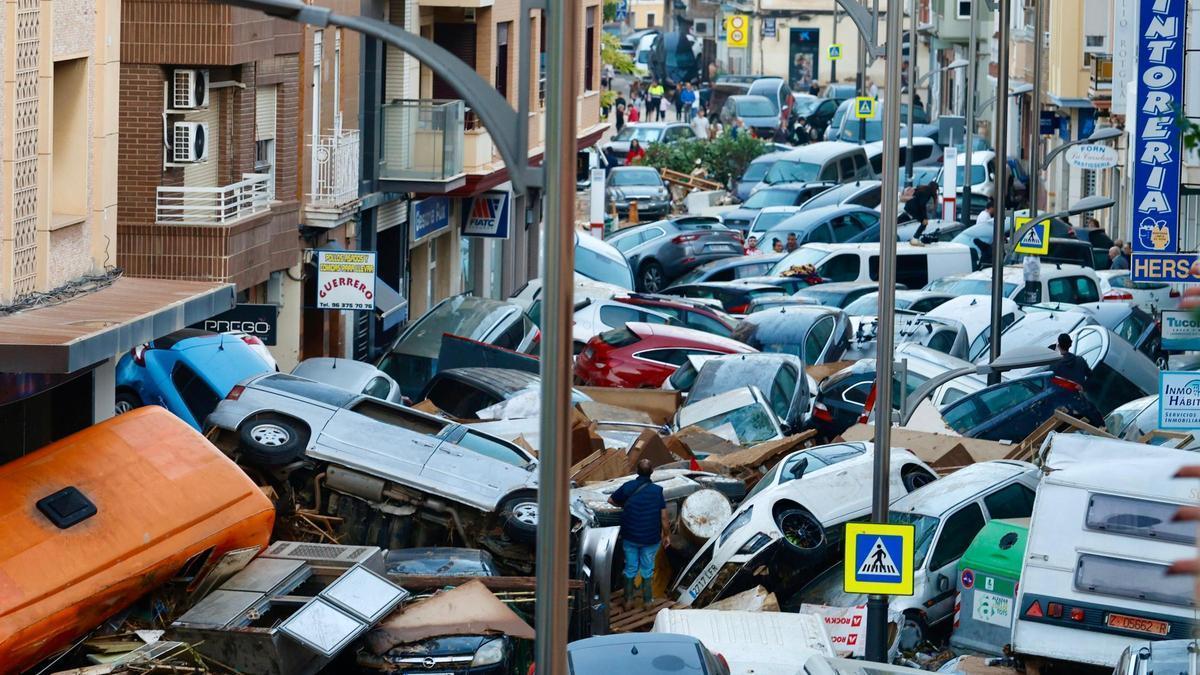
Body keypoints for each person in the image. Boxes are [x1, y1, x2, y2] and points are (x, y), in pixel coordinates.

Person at [608, 458, 669, 611]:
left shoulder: (628, 487)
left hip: (630, 537)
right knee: (647, 568)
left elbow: (611, 500)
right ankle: (648, 602)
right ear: (652, 472)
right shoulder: (657, 491)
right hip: (650, 538)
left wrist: (625, 505)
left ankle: (628, 601)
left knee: (630, 568)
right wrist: (666, 535)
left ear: (637, 471)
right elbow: (664, 518)